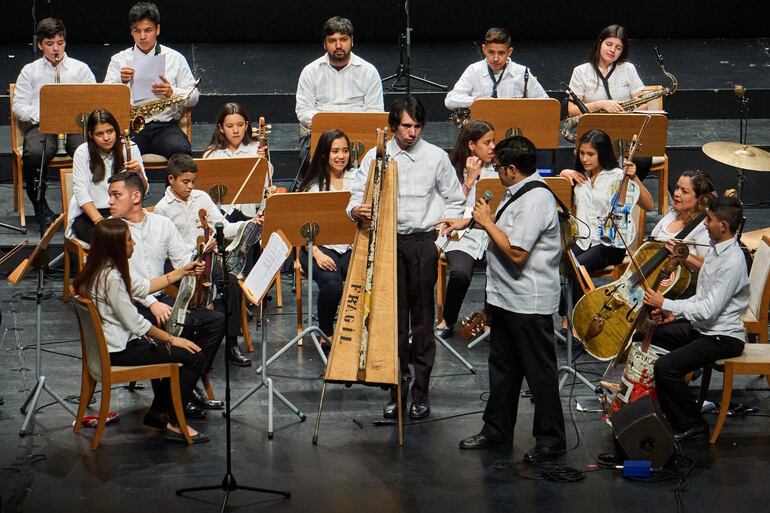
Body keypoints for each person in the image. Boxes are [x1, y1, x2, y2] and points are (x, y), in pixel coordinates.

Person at [442, 136, 566, 460]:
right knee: (503, 369)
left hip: (529, 301)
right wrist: (470, 221)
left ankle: (551, 439)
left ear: (512, 169)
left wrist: (485, 222)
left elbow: (515, 252)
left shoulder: (536, 200)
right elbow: (503, 231)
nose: (496, 173)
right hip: (506, 299)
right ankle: (496, 430)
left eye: (498, 168)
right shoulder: (518, 193)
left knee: (539, 373)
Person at [348, 96, 465, 420]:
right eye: (406, 126)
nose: (412, 133)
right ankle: (396, 390)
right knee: (392, 322)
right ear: (393, 127)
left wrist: (440, 242)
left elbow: (455, 201)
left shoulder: (436, 157)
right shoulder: (377, 155)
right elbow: (355, 198)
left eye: (416, 127)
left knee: (423, 320)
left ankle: (421, 392)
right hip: (387, 244)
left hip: (422, 242)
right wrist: (356, 210)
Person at [73, 218, 209, 443]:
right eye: (129, 239)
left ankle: (159, 413)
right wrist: (172, 339)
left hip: (111, 347)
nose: (133, 243)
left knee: (185, 354)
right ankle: (172, 420)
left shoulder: (100, 269)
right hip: (120, 350)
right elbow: (136, 323)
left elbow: (143, 286)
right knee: (194, 356)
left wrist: (182, 272)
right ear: (116, 245)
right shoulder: (111, 278)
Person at [107, 171, 225, 415]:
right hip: (129, 308)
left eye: (116, 195)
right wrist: (152, 304)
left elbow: (181, 259)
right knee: (178, 326)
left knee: (215, 321)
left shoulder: (161, 224)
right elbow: (126, 286)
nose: (110, 201)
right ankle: (175, 398)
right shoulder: (111, 232)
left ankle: (185, 383)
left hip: (157, 297)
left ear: (136, 196)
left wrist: (196, 260)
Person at [643, 195, 749, 441]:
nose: (704, 224)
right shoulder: (715, 251)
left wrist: (666, 302)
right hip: (705, 328)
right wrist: (671, 310)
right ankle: (667, 406)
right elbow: (701, 298)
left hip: (722, 337)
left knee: (665, 368)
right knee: (653, 334)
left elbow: (709, 310)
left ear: (723, 226)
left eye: (709, 220)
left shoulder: (733, 261)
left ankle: (692, 424)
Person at [153, 154, 262, 366]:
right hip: (181, 264)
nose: (190, 187)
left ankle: (231, 343)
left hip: (208, 260)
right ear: (171, 180)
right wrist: (197, 250)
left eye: (193, 181)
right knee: (196, 287)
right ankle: (197, 343)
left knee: (231, 283)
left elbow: (223, 227)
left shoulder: (201, 197)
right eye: (185, 182)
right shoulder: (162, 209)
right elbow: (168, 248)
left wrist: (248, 224)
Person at [558, 129, 654, 334]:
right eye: (581, 153)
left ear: (602, 153)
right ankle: (567, 317)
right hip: (583, 238)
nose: (584, 158)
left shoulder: (618, 176)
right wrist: (563, 175)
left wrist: (634, 177)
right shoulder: (578, 176)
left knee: (578, 267)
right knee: (562, 262)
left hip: (609, 242)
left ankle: (578, 325)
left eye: (590, 154)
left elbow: (649, 205)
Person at [12, 18, 96, 227]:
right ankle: (41, 208)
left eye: (59, 43)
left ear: (65, 43)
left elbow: (94, 99)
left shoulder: (80, 69)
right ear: (40, 45)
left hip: (75, 125)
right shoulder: (30, 71)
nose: (55, 49)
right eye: (50, 44)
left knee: (87, 151)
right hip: (44, 126)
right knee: (34, 154)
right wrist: (43, 115)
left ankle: (87, 206)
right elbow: (19, 106)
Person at [295, 16, 383, 183]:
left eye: (343, 39)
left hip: (359, 135)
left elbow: (375, 112)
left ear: (352, 41)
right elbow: (303, 111)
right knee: (306, 159)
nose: (338, 45)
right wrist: (330, 125)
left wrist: (350, 126)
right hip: (322, 135)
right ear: (324, 44)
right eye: (332, 40)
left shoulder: (369, 71)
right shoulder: (310, 71)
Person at [104, 2, 199, 157]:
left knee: (181, 152)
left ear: (158, 30)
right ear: (131, 32)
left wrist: (171, 92)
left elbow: (194, 97)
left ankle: (170, 182)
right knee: (119, 155)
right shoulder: (119, 61)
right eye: (137, 31)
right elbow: (104, 99)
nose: (142, 37)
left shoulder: (175, 59)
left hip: (164, 127)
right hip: (130, 127)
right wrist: (120, 82)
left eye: (148, 30)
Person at [434, 120, 498, 338]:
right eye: (487, 142)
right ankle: (448, 320)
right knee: (461, 273)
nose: (492, 147)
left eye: (493, 142)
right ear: (472, 145)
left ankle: (490, 319)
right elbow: (450, 208)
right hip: (461, 234)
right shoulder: (451, 170)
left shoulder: (498, 170)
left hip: (491, 231)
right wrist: (469, 180)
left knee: (500, 265)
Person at [566, 24, 651, 180]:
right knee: (597, 158)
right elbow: (572, 109)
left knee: (643, 160)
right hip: (593, 136)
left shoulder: (628, 69)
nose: (612, 50)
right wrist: (600, 104)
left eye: (618, 48)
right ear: (600, 44)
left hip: (623, 134)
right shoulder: (581, 71)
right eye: (609, 44)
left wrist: (627, 109)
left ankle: (624, 197)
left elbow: (642, 102)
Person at [297, 129, 356, 346]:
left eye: (345, 151)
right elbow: (302, 232)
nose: (341, 156)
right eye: (335, 151)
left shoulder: (358, 180)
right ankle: (326, 332)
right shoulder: (313, 187)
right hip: (317, 248)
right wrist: (317, 254)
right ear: (324, 154)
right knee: (332, 284)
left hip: (351, 246)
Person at [69, 109, 147, 244]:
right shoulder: (83, 152)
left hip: (124, 212)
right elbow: (81, 193)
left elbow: (143, 190)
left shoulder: (130, 148)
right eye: (100, 134)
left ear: (116, 130)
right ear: (91, 135)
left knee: (145, 237)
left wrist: (139, 172)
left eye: (110, 131)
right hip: (90, 215)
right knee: (109, 241)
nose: (106, 138)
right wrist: (101, 223)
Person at [445, 27, 548, 111]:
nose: (495, 58)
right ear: (484, 49)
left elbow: (546, 103)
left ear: (509, 52)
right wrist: (477, 101)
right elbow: (450, 100)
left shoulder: (522, 72)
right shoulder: (473, 70)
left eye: (501, 53)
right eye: (491, 52)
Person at [202, 102, 272, 219]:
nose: (235, 130)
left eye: (240, 125)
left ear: (246, 125)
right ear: (221, 128)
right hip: (222, 213)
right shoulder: (212, 155)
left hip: (253, 213)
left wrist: (263, 162)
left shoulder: (256, 149)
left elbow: (267, 187)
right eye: (229, 126)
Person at [649, 170, 715, 292]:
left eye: (684, 191)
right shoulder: (673, 214)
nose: (676, 194)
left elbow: (708, 267)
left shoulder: (703, 226)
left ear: (700, 199)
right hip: (654, 278)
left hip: (681, 288)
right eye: (677, 188)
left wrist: (684, 255)